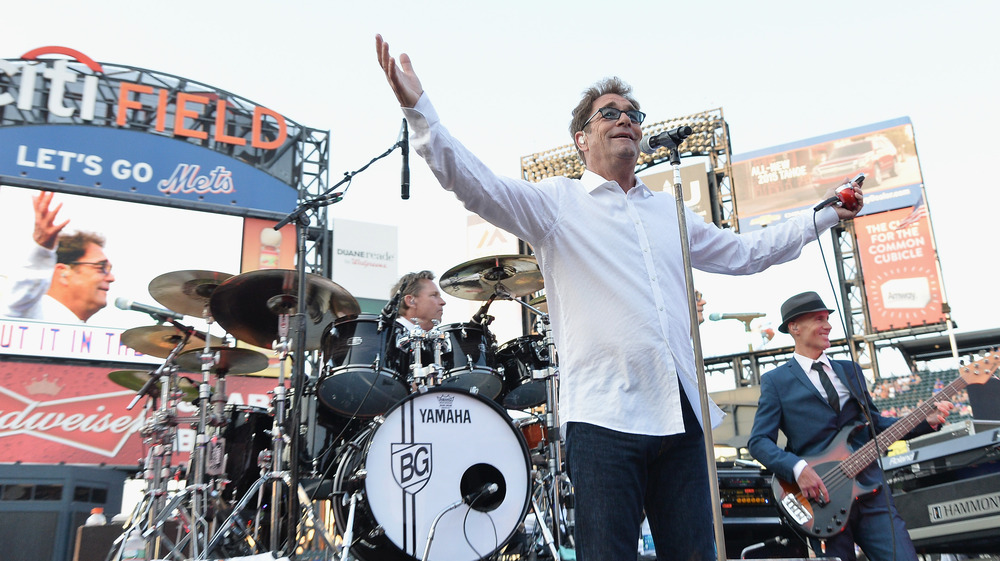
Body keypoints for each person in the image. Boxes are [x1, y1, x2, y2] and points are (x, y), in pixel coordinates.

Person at [375, 35, 865, 561]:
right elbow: (474, 184)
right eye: (609, 113)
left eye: (633, 113)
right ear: (581, 139)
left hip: (680, 412)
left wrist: (825, 215)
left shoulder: (669, 212)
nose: (626, 120)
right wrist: (419, 112)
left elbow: (747, 253)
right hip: (604, 416)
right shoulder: (557, 204)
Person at [748, 291, 953, 561]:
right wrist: (798, 470)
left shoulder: (850, 370)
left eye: (828, 318)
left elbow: (876, 425)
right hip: (821, 498)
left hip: (872, 489)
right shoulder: (776, 381)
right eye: (818, 319)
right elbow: (758, 442)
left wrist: (923, 422)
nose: (828, 325)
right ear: (794, 327)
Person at [1, 191, 115, 323]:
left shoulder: (88, 334)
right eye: (101, 267)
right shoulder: (30, 313)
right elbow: (21, 298)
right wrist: (42, 250)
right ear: (63, 272)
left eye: (109, 269)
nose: (111, 278)